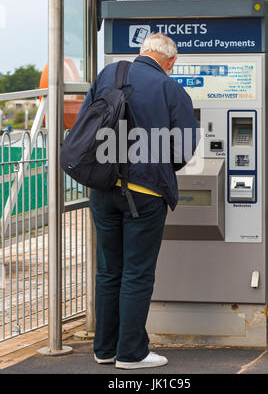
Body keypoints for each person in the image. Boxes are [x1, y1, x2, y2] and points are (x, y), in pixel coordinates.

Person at [79, 33, 200, 369]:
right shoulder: (170, 89)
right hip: (144, 194)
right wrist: (160, 166)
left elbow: (86, 123)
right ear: (170, 61)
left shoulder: (110, 74)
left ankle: (105, 349)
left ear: (142, 52)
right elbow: (185, 146)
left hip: (103, 190)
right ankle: (131, 353)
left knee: (108, 271)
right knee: (137, 273)